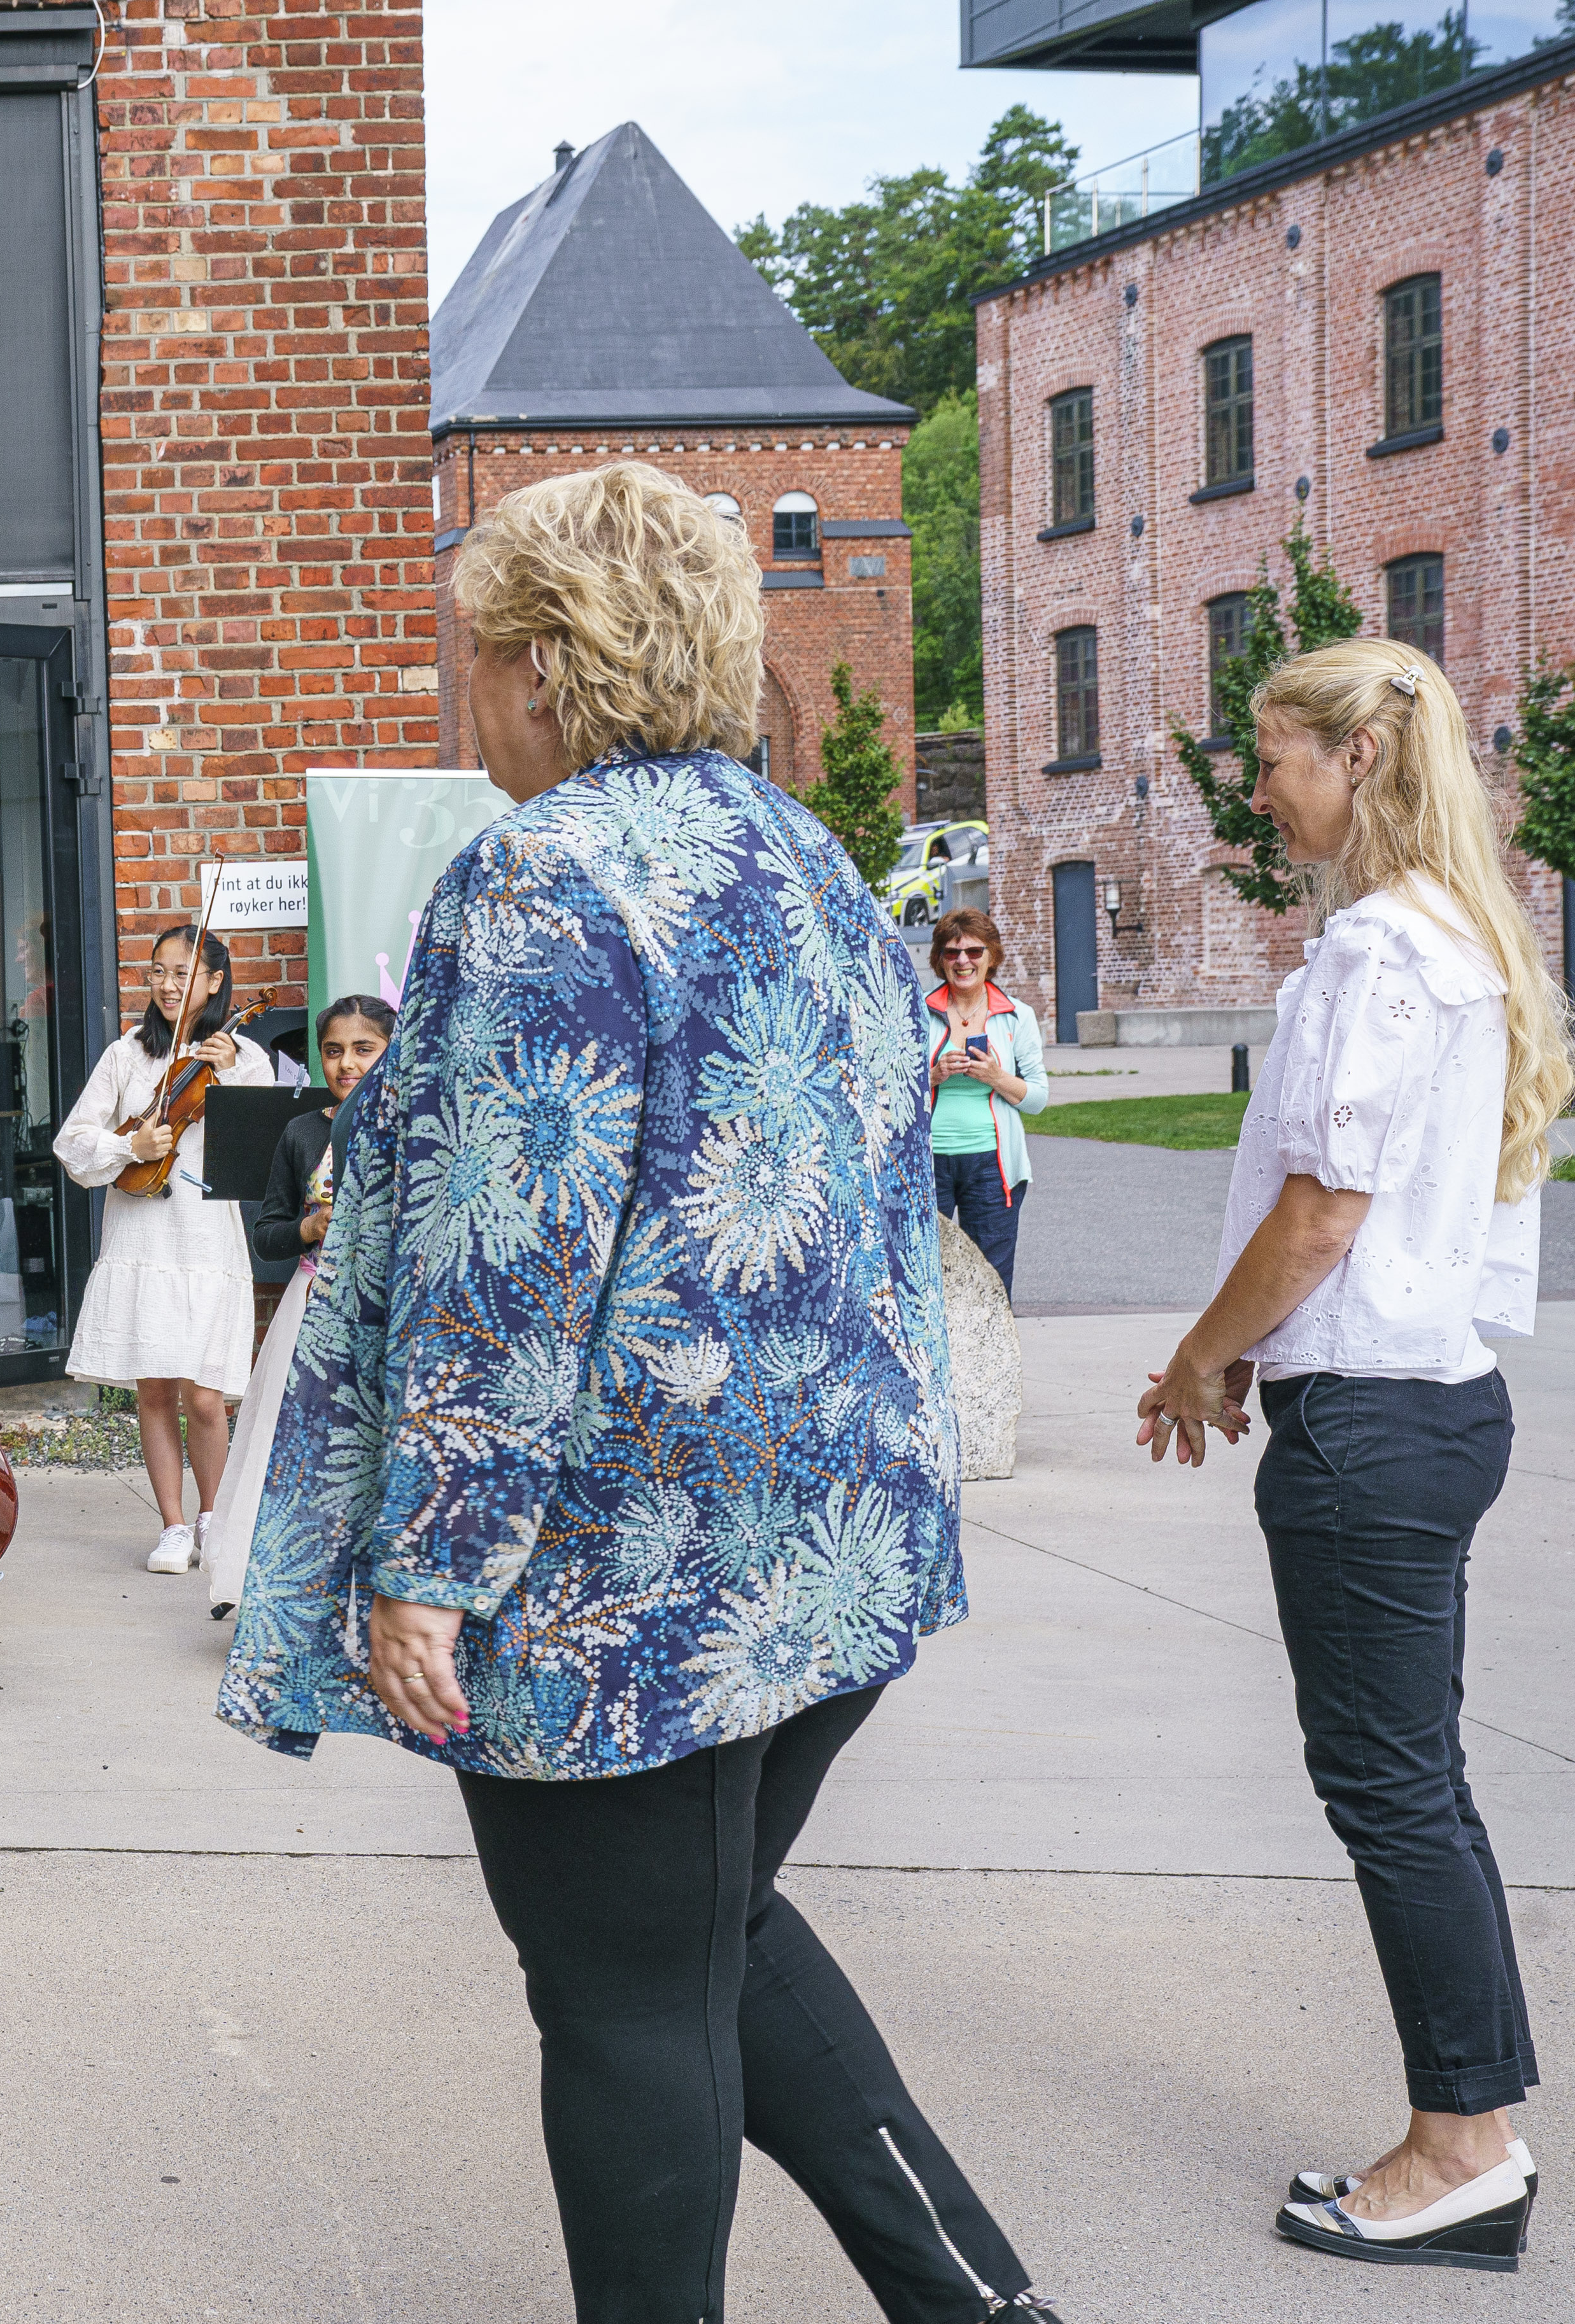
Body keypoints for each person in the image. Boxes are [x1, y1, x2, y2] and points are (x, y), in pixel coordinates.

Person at [222, 462, 1057, 2323]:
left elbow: (502, 1254)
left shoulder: (537, 875)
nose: (463, 699)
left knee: (618, 2000)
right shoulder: (802, 855)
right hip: (825, 1539)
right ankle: (983, 2304)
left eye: (471, 660)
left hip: (616, 1569)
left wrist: (425, 1555)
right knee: (707, 1945)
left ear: (540, 662)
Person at [1132, 639, 1565, 2275]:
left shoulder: (1380, 955)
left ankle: (1460, 2145)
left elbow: (1322, 1211)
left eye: (1276, 758)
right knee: (1416, 1785)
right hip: (1434, 1402)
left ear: (1362, 759)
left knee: (1388, 1789)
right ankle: (1471, 2125)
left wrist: (1197, 1354)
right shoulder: (1469, 941)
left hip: (1370, 1421)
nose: (1260, 789)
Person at [53, 923, 271, 1576]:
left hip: (205, 1235)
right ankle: (173, 1525)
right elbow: (73, 1144)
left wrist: (228, 1077)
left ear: (212, 982)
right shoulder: (127, 1053)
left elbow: (264, 1148)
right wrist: (129, 1148)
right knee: (154, 1389)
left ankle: (213, 1515)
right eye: (157, 972)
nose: (168, 985)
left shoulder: (243, 1058)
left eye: (182, 973)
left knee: (205, 1395)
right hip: (142, 1229)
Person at [199, 992, 390, 1621]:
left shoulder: (413, 1127)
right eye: (333, 1051)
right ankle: (274, 1589)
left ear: (392, 1053)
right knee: (287, 1449)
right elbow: (267, 1233)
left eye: (364, 1049)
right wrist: (307, 1232)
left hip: (387, 1311)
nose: (346, 1064)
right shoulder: (302, 1131)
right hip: (311, 1303)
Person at [922, 908, 1049, 1298]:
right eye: (952, 953)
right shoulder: (917, 1012)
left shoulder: (1017, 1016)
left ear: (991, 956)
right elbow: (888, 1091)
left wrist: (996, 1076)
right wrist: (933, 1076)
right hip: (928, 1162)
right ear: (940, 960)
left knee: (990, 1281)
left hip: (993, 1167)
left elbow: (1038, 1099)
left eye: (974, 952)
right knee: (928, 1275)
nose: (963, 961)